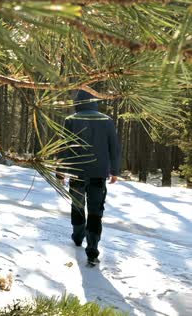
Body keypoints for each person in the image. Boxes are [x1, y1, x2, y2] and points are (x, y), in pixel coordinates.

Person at [56, 89, 121, 265]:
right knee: (95, 211)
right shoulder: (107, 120)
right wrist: (114, 171)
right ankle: (92, 249)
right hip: (99, 173)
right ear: (94, 101)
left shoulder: (71, 120)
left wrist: (60, 170)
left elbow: (63, 146)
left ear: (77, 102)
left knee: (77, 206)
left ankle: (78, 236)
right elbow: (113, 147)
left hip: (77, 172)